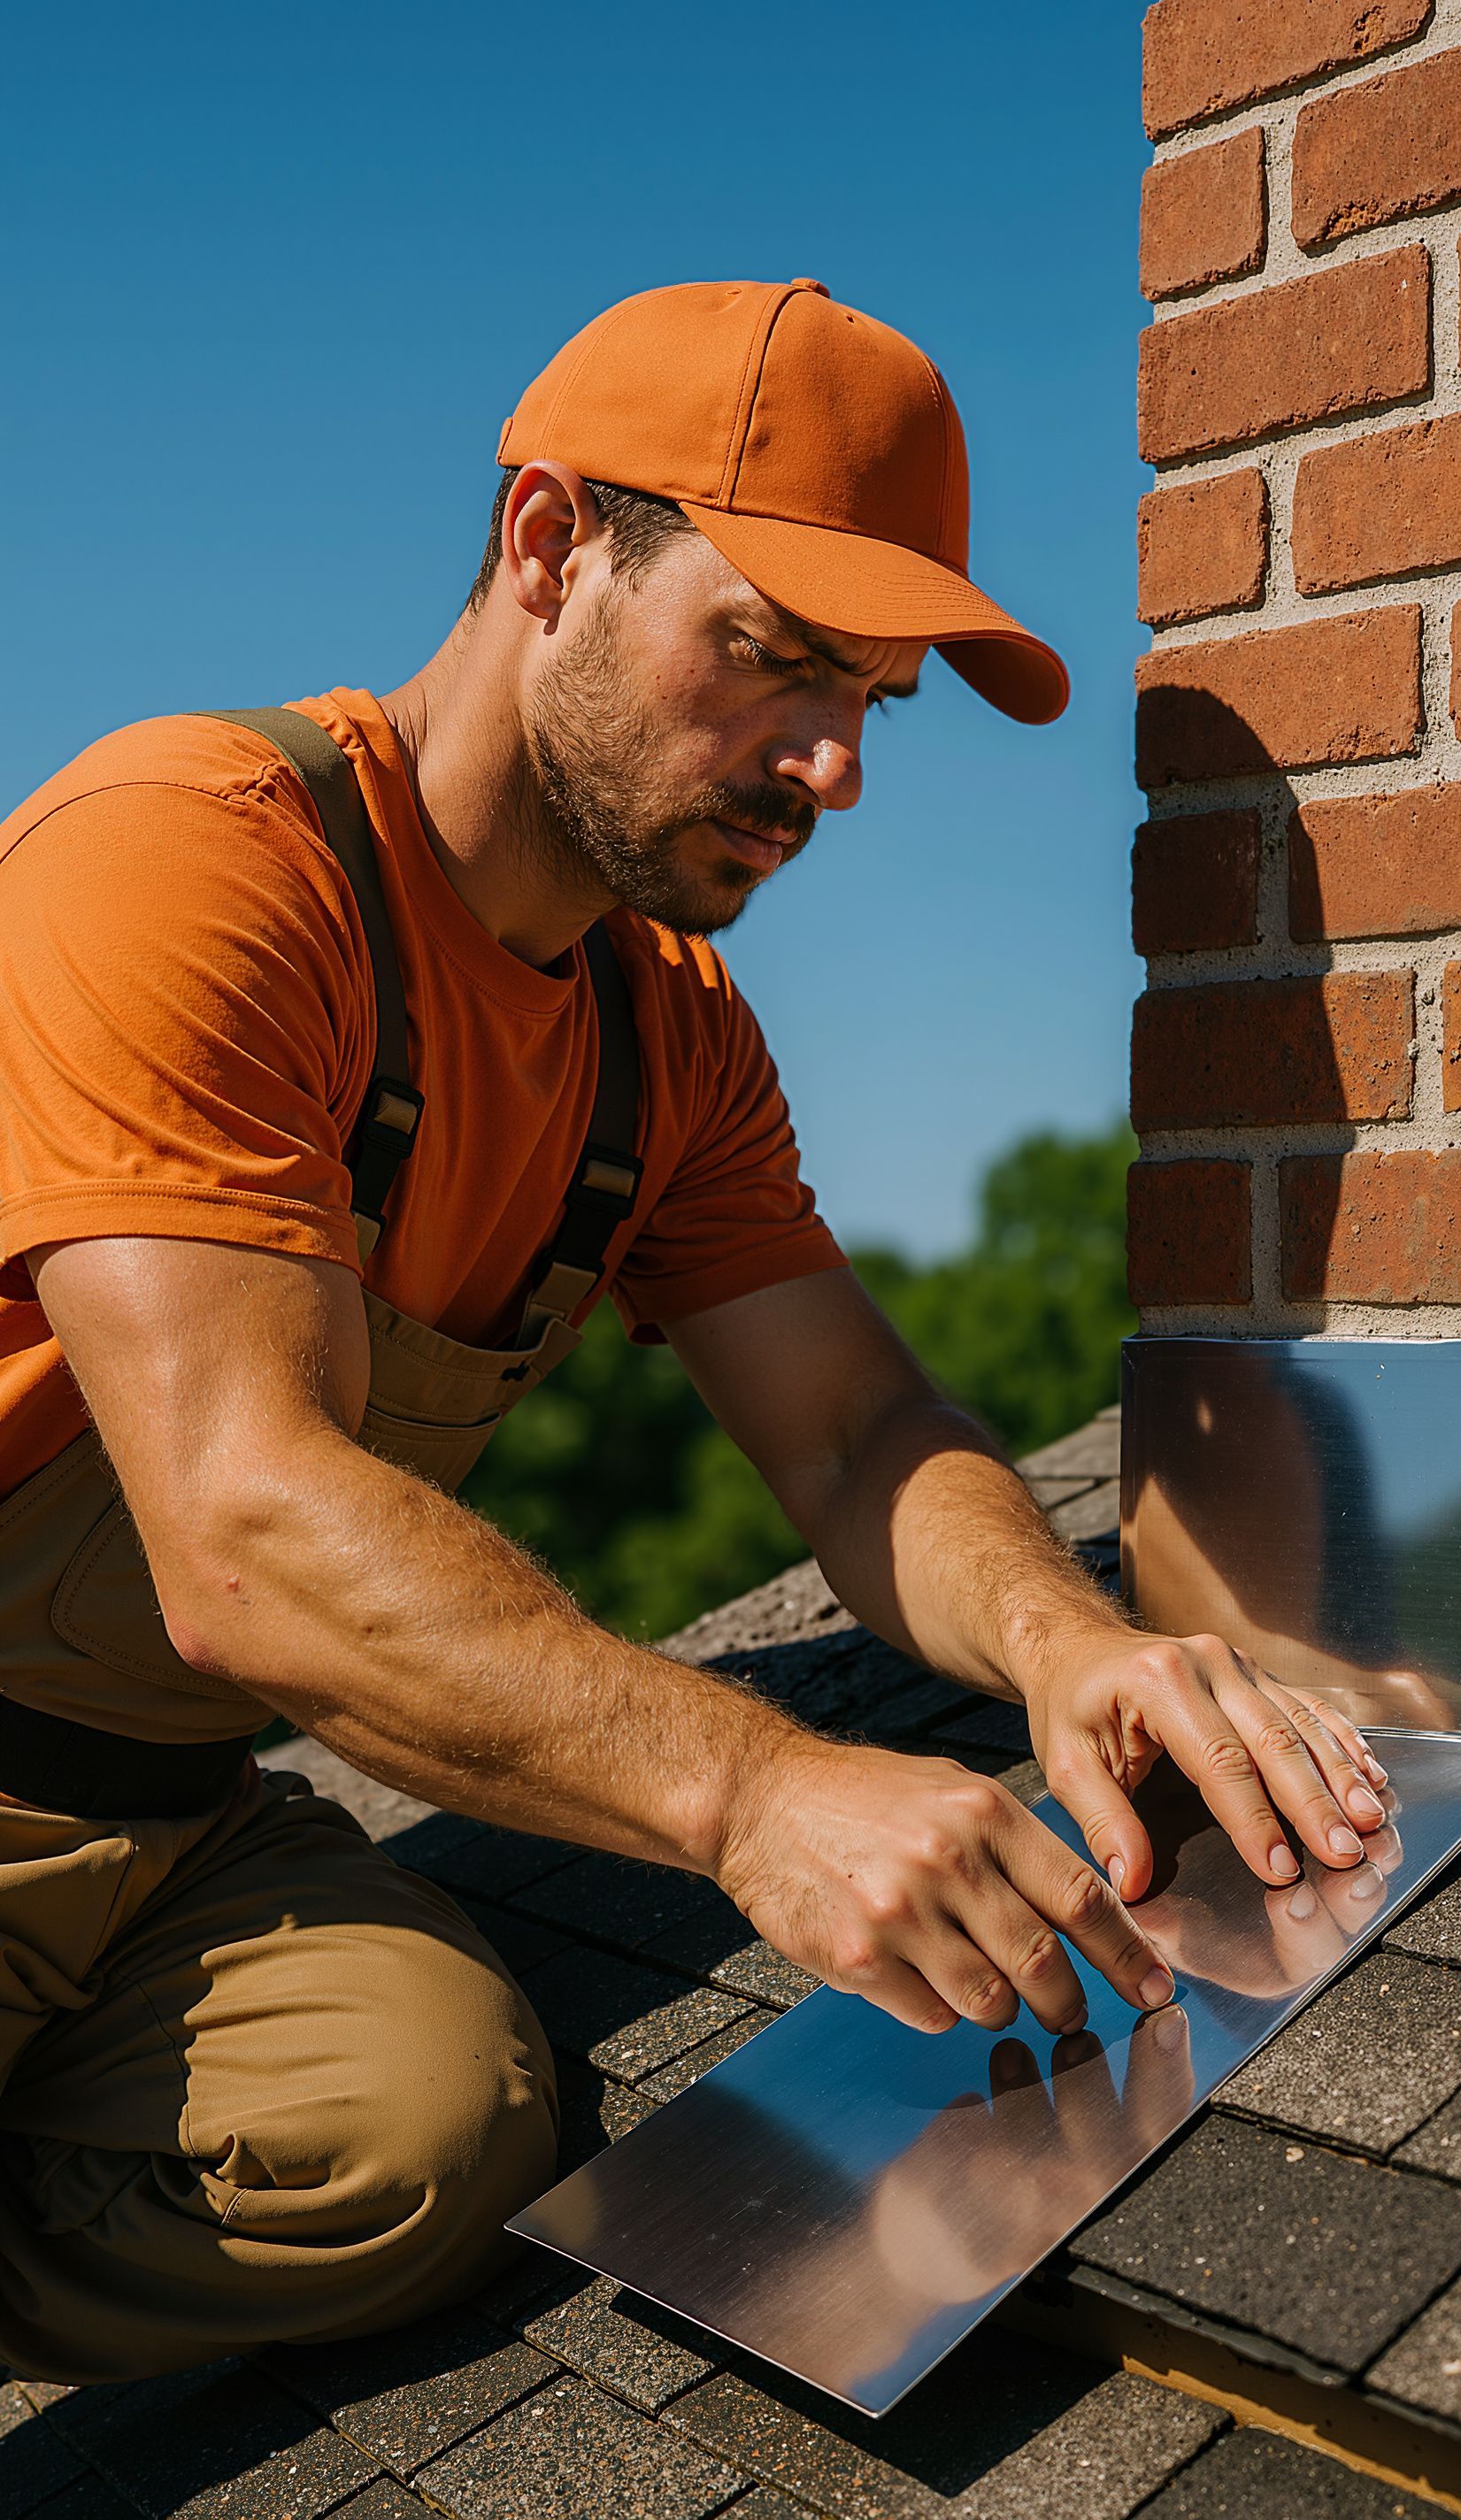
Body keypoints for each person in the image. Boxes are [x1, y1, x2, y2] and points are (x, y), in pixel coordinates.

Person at [0, 277, 1389, 2382]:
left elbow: (854, 1433)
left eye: (874, 700)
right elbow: (243, 1526)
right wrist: (755, 1792)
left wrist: (1063, 1641)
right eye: (775, 655)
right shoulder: (196, 864)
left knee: (427, 2125)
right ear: (550, 545)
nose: (834, 765)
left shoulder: (672, 1040)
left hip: (177, 1819)